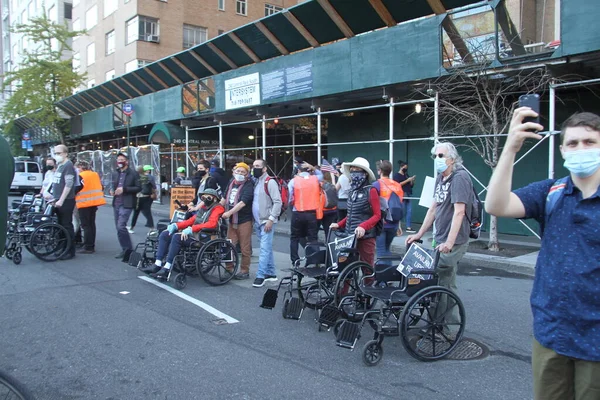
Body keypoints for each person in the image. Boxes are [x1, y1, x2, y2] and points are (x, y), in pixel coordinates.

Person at [485, 109, 600, 400]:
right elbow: (496, 205)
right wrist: (510, 147)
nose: (580, 149)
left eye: (589, 142)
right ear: (562, 150)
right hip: (552, 332)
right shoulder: (552, 191)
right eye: (572, 143)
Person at [406, 142, 473, 339]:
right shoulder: (440, 178)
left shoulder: (460, 178)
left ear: (452, 158)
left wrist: (450, 243)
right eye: (435, 156)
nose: (438, 160)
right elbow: (433, 208)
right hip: (440, 238)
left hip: (455, 241)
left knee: (442, 281)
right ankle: (439, 324)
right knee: (442, 282)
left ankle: (444, 327)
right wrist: (419, 234)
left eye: (441, 156)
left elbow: (459, 212)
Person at [146, 189, 225, 279]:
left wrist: (192, 229)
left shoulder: (218, 208)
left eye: (208, 197)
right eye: (203, 197)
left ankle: (167, 268)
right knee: (165, 234)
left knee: (177, 237)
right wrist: (176, 225)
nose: (205, 199)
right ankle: (157, 264)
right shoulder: (203, 209)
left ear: (215, 199)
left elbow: (212, 224)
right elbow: (190, 221)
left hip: (206, 237)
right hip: (196, 234)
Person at [330, 157, 380, 266]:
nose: (353, 172)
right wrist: (339, 224)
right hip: (350, 235)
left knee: (366, 266)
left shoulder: (371, 190)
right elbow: (351, 214)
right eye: (352, 169)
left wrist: (363, 226)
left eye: (357, 170)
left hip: (366, 236)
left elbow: (377, 215)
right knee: (346, 266)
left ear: (365, 173)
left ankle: (368, 283)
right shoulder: (352, 191)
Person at [251, 159, 282, 288]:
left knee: (264, 249)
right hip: (259, 221)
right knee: (266, 248)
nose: (254, 168)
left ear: (264, 169)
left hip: (266, 221)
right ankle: (270, 273)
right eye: (253, 166)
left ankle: (260, 276)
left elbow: (278, 202)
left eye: (257, 166)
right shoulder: (257, 182)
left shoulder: (270, 182)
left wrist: (271, 219)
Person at [221, 162, 254, 279]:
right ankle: (229, 269)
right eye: (238, 171)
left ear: (247, 174)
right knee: (229, 244)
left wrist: (229, 212)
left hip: (244, 220)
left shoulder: (249, 185)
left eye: (243, 172)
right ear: (234, 172)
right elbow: (224, 198)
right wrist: (217, 210)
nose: (240, 173)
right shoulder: (231, 183)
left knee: (245, 248)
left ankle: (244, 271)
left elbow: (242, 203)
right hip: (231, 221)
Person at [288, 158, 323, 264]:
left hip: (298, 212)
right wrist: (313, 167)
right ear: (309, 171)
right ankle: (314, 259)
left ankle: (295, 260)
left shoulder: (293, 181)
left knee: (295, 237)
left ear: (298, 171)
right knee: (312, 238)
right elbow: (321, 174)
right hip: (312, 213)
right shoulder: (315, 179)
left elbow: (290, 198)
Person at [110, 153, 141, 259]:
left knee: (121, 226)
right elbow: (113, 184)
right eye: (118, 160)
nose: (120, 162)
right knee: (118, 228)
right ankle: (125, 249)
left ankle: (129, 250)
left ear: (127, 161)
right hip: (116, 203)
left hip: (127, 203)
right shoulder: (115, 173)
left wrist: (125, 189)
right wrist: (111, 190)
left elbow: (138, 187)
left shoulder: (133, 173)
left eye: (122, 159)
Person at [50, 145, 77, 260]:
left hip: (66, 201)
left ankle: (69, 250)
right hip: (58, 200)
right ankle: (62, 247)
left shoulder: (68, 166)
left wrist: (61, 199)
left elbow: (69, 184)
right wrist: (54, 198)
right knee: (60, 225)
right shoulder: (60, 165)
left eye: (59, 153)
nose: (57, 155)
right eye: (55, 153)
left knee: (66, 225)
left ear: (65, 153)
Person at [373, 160, 404, 262]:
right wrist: (399, 225)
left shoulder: (376, 185)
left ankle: (383, 276)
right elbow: (398, 205)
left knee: (381, 251)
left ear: (379, 171)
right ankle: (387, 274)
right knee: (387, 249)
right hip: (394, 223)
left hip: (381, 223)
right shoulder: (397, 185)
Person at [75, 160, 106, 254]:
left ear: (80, 167)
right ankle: (91, 245)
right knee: (92, 224)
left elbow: (76, 189)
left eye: (77, 167)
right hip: (94, 202)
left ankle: (88, 247)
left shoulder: (81, 176)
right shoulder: (95, 174)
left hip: (84, 203)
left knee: (86, 225)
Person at [129, 165, 156, 232]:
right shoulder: (148, 177)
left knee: (136, 213)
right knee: (148, 213)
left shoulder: (136, 178)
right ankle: (152, 227)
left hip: (138, 197)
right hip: (147, 197)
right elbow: (153, 187)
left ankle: (132, 227)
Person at [394, 160, 416, 233]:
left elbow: (411, 185)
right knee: (401, 211)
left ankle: (408, 227)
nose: (406, 169)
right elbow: (397, 184)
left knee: (409, 211)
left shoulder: (406, 175)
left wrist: (412, 180)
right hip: (401, 195)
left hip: (408, 194)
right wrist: (407, 180)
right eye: (405, 167)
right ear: (401, 167)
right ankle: (397, 226)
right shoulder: (397, 175)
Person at [319, 171, 338, 240]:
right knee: (329, 231)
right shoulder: (333, 186)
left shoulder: (320, 185)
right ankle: (330, 246)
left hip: (323, 211)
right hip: (333, 210)